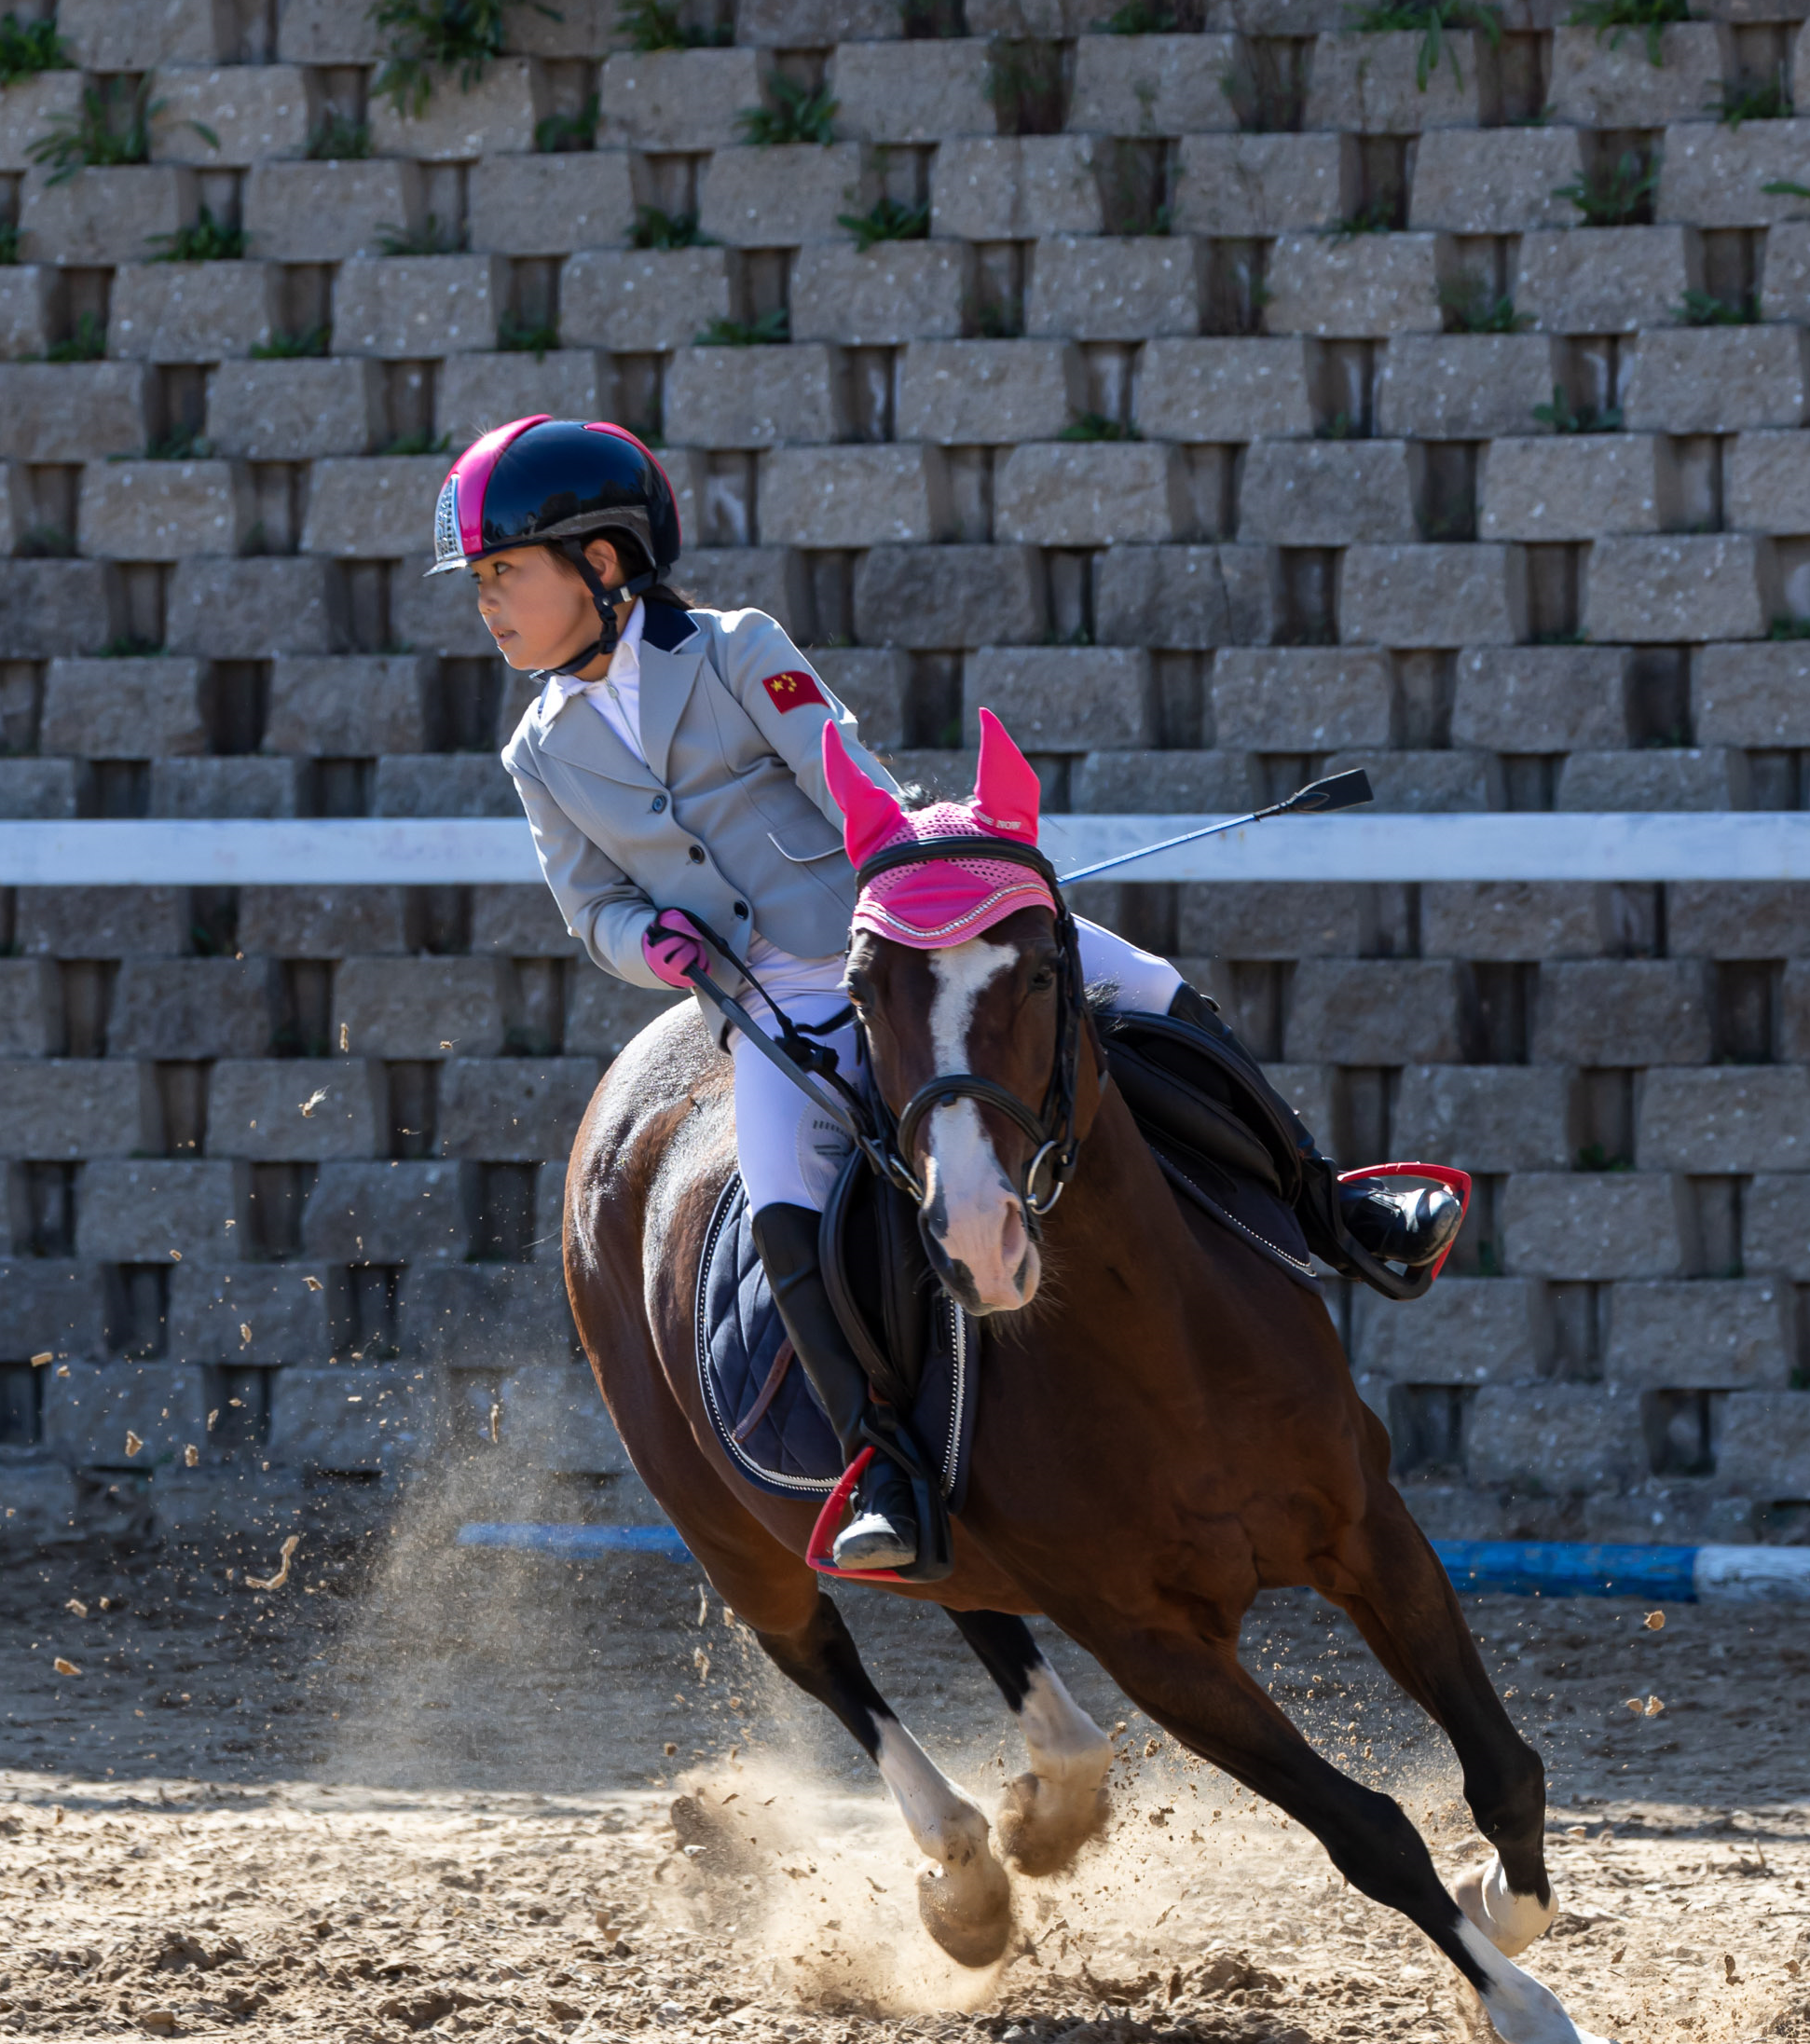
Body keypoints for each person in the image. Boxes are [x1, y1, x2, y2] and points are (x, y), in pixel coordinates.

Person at [434, 416, 1457, 1575]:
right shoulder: (540, 750)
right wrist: (650, 943)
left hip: (900, 926)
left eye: (503, 574)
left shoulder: (731, 651)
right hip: (767, 997)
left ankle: (1333, 1208)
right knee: (780, 1209)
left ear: (603, 564)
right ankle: (883, 1465)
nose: (487, 604)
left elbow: (849, 780)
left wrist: (925, 902)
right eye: (479, 583)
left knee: (1155, 991)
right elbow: (591, 908)